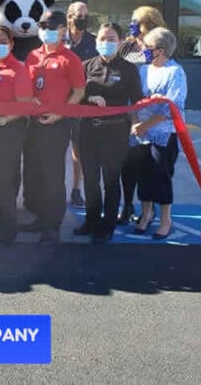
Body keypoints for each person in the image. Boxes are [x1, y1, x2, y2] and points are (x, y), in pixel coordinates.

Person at [22, 10, 86, 246]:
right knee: (35, 175)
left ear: (61, 30)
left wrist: (60, 113)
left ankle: (53, 225)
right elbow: (25, 86)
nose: (46, 30)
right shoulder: (33, 55)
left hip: (56, 125)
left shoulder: (70, 58)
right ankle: (40, 217)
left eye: (50, 26)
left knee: (53, 177)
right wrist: (28, 99)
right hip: (32, 124)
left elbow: (79, 92)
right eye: (42, 26)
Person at [75, 23, 143, 243]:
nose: (106, 43)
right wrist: (89, 98)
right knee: (90, 180)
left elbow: (137, 100)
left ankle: (108, 224)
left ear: (121, 41)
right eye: (102, 38)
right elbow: (74, 96)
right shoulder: (85, 66)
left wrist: (139, 122)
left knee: (111, 181)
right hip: (88, 131)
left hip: (115, 132)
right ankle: (91, 220)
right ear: (96, 42)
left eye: (111, 39)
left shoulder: (128, 69)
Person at [131, 27, 187, 240]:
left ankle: (165, 219)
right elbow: (134, 101)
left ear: (160, 50)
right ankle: (146, 214)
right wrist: (136, 123)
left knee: (161, 175)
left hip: (164, 134)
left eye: (147, 47)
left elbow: (171, 106)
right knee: (143, 175)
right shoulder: (143, 71)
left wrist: (147, 125)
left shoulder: (175, 72)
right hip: (141, 134)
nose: (143, 50)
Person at [0, 26, 33, 244]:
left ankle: (6, 229)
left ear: (11, 44)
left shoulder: (19, 69)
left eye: (3, 41)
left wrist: (3, 120)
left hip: (9, 130)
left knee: (5, 180)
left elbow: (24, 106)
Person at [117, 5, 167, 224]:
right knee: (126, 165)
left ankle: (149, 209)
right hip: (126, 111)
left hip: (149, 115)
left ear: (148, 24)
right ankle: (126, 205)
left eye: (137, 21)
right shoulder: (127, 46)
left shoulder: (157, 47)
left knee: (147, 166)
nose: (133, 25)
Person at [65, 2, 99, 209]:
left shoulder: (93, 42)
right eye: (78, 15)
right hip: (59, 101)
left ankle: (77, 190)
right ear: (69, 16)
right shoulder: (59, 39)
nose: (82, 19)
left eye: (86, 16)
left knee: (80, 150)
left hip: (82, 103)